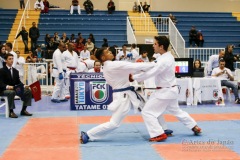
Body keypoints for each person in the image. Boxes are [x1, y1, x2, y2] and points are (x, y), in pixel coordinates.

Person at [80, 47, 160, 144]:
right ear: (103, 57)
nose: (111, 52)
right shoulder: (112, 65)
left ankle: (160, 130)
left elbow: (130, 70)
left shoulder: (108, 66)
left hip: (126, 93)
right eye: (108, 52)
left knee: (149, 109)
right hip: (123, 96)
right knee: (114, 123)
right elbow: (134, 67)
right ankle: (88, 134)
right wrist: (154, 64)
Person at [132, 36, 201, 142]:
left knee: (147, 112)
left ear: (161, 46)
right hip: (171, 90)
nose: (153, 46)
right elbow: (152, 66)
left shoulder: (164, 60)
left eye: (155, 44)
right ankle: (194, 126)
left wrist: (134, 77)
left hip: (164, 91)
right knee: (176, 110)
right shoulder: (166, 57)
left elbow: (152, 72)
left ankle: (158, 134)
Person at [0, 53, 33, 118]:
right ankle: (11, 111)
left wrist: (24, 86)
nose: (11, 60)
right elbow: (0, 84)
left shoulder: (15, 71)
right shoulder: (1, 71)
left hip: (14, 89)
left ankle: (23, 110)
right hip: (3, 90)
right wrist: (8, 87)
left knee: (28, 91)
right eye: (10, 59)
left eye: (12, 59)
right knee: (11, 92)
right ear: (6, 60)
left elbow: (18, 82)